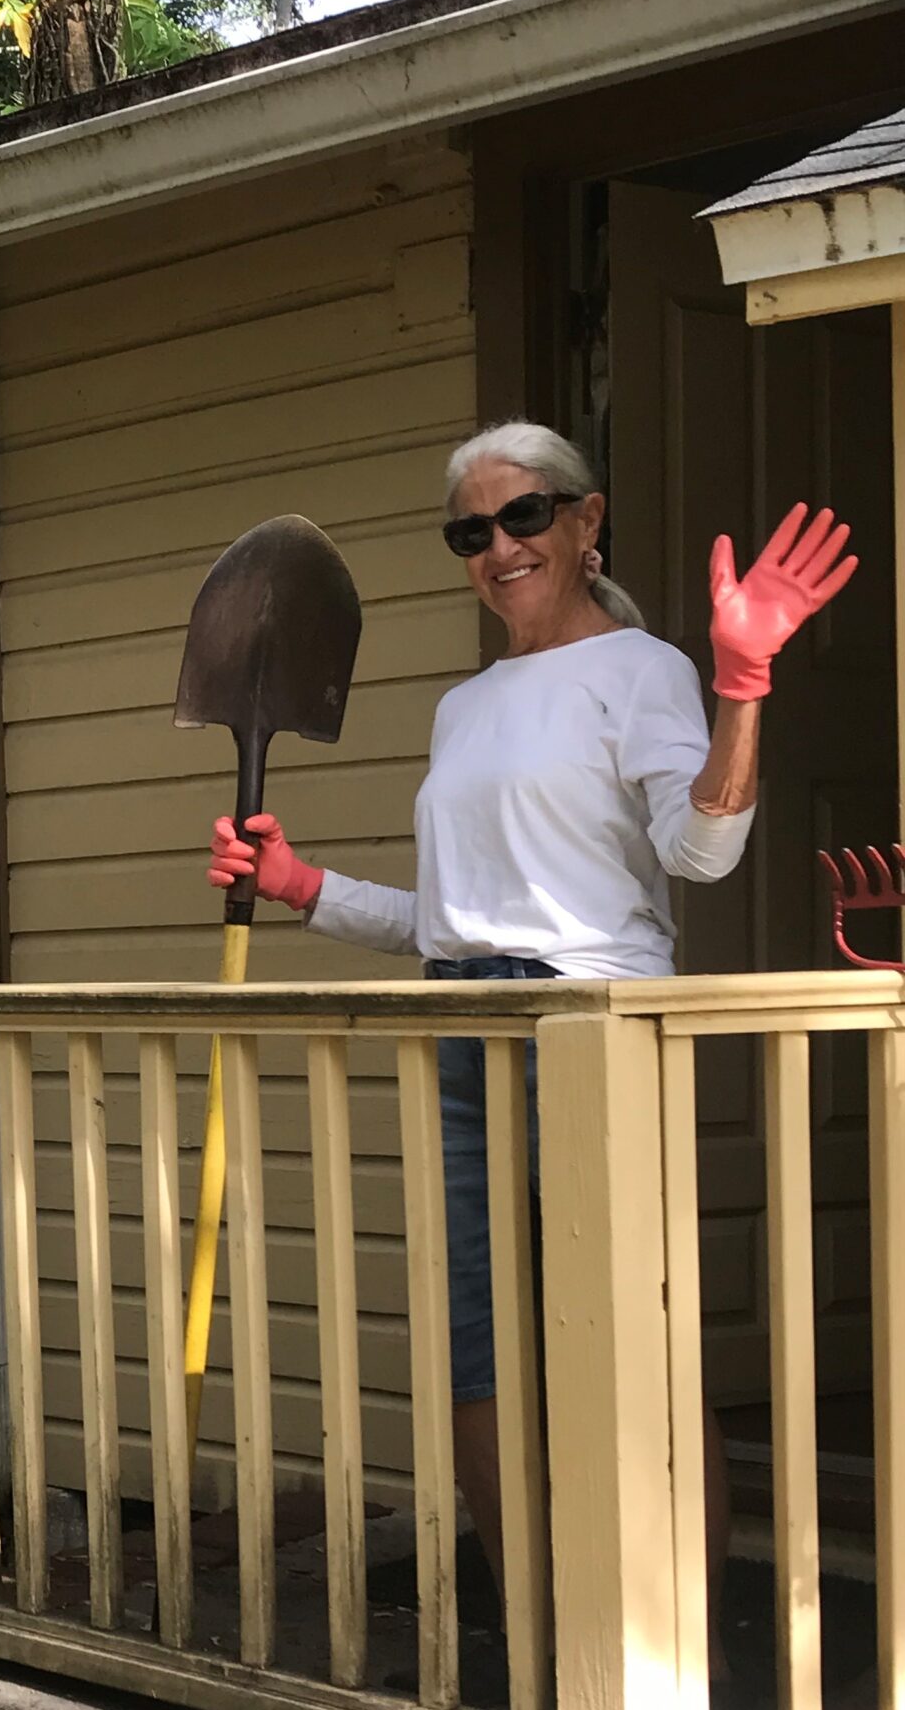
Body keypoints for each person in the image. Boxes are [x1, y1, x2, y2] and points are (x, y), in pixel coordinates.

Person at [208, 422, 856, 1625]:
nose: (499, 546)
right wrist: (304, 887)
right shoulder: (467, 706)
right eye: (471, 530)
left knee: (638, 1350)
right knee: (477, 1357)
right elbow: (452, 920)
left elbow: (702, 851)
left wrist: (743, 683)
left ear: (584, 519)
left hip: (594, 1025)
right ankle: (540, 1652)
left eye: (524, 517)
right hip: (467, 1027)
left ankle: (685, 1657)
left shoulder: (645, 670)